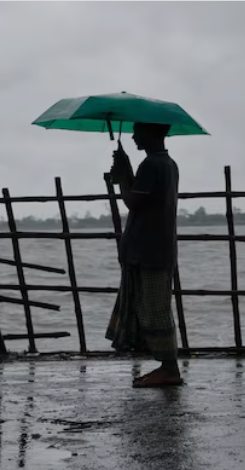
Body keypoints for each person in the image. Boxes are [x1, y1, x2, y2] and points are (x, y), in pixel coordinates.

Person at [105, 122, 182, 388]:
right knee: (152, 307)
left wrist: (124, 175)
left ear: (152, 133)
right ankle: (165, 366)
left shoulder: (152, 165)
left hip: (148, 248)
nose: (134, 136)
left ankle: (170, 368)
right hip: (155, 246)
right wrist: (126, 171)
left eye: (138, 131)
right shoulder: (167, 163)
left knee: (155, 310)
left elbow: (132, 201)